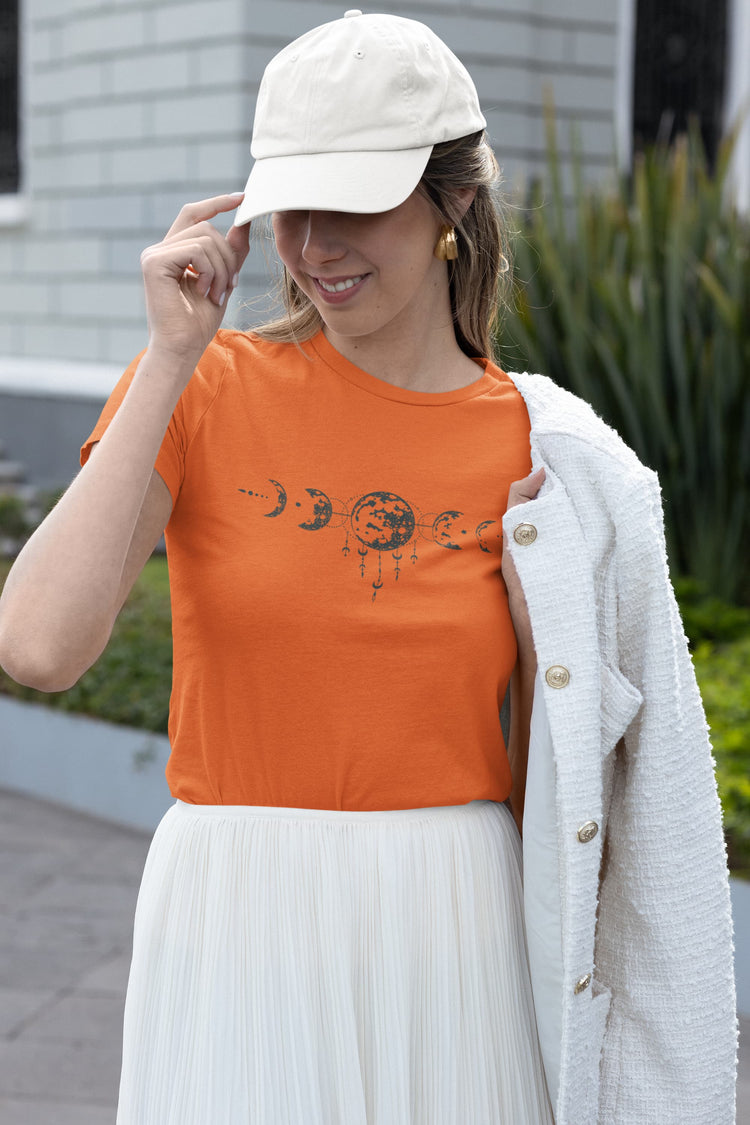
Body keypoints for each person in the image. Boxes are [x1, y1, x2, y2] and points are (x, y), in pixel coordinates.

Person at [0, 10, 737, 1125]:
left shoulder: (549, 458)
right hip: (232, 909)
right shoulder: (206, 388)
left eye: (354, 203)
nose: (314, 246)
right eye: (293, 207)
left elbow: (599, 776)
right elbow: (41, 648)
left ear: (456, 202)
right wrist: (166, 359)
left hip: (454, 923)